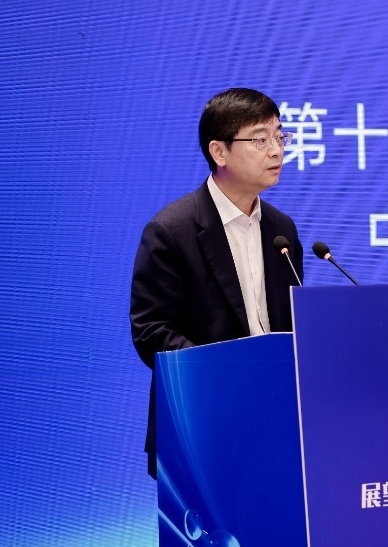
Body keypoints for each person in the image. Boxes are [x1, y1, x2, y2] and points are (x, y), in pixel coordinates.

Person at [130, 88, 303, 479]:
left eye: (280, 137)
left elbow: (291, 324)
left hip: (276, 423)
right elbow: (151, 332)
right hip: (202, 425)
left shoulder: (282, 230)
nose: (277, 150)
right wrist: (227, 375)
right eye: (260, 140)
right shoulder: (171, 231)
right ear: (219, 151)